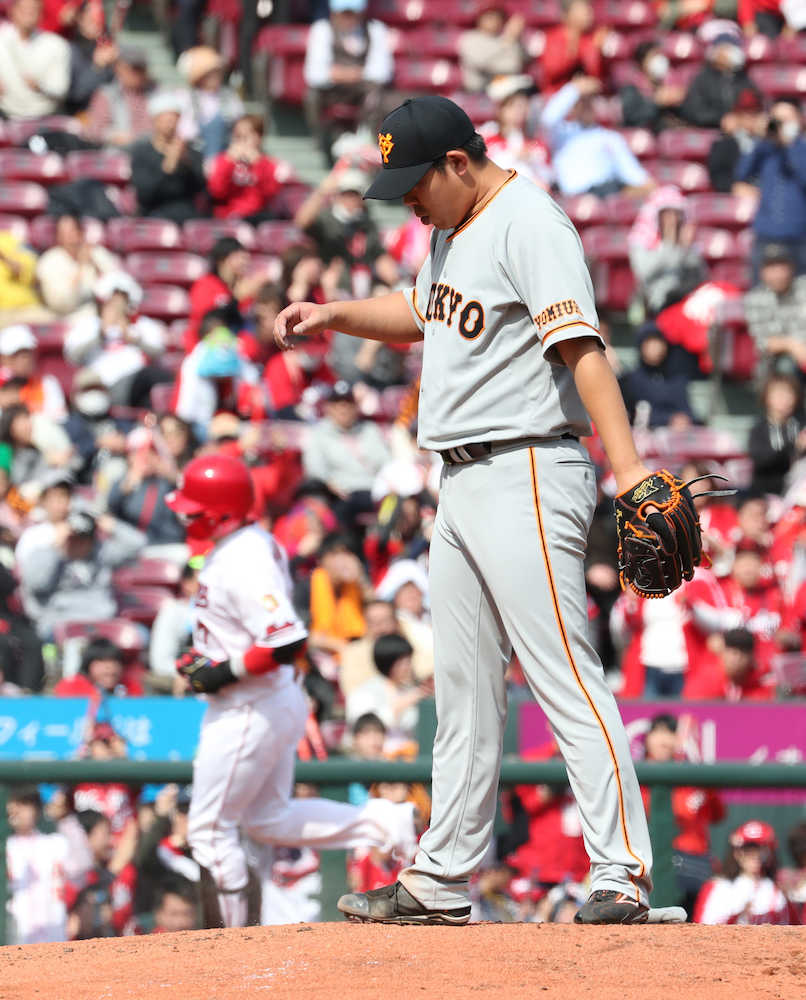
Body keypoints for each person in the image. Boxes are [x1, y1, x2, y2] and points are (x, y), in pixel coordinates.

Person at [275, 95, 665, 926]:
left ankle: (623, 872)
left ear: (460, 161)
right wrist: (336, 314)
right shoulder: (450, 228)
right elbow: (422, 312)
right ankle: (443, 877)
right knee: (460, 689)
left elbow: (582, 350)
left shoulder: (530, 221)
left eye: (417, 182)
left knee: (562, 674)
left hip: (526, 461)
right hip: (458, 476)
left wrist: (627, 469)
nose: (408, 201)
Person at [163, 454, 417, 928]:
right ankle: (385, 823)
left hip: (248, 704)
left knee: (208, 831)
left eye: (195, 509)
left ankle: (229, 944)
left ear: (221, 512)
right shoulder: (244, 542)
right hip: (266, 697)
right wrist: (206, 655)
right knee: (266, 819)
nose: (187, 517)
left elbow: (285, 638)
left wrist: (221, 670)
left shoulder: (244, 555)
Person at [639, 714, 725, 916]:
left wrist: (704, 778)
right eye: (657, 732)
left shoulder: (691, 776)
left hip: (696, 863)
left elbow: (717, 815)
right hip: (651, 863)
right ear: (648, 738)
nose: (663, 740)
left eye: (669, 733)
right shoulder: (637, 775)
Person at [16, 508, 145, 642]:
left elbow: (138, 545)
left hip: (101, 622)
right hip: (60, 624)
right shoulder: (46, 553)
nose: (80, 543)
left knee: (139, 636)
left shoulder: (100, 552)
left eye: (85, 539)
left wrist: (111, 525)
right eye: (75, 538)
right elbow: (37, 585)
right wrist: (55, 547)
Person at [303, 0, 394, 163]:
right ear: (333, 12)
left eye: (352, 12)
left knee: (376, 92)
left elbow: (382, 73)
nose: (348, 17)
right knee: (312, 93)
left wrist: (339, 73)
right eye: (344, 12)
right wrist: (356, 73)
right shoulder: (322, 29)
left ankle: (367, 138)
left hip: (362, 92)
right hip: (331, 92)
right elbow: (314, 74)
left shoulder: (375, 29)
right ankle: (320, 141)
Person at [63, 271, 166, 407]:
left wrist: (133, 338)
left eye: (120, 300)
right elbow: (71, 355)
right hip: (102, 387)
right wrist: (100, 333)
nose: (116, 306)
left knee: (155, 388)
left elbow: (159, 351)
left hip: (136, 385)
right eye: (111, 301)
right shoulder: (89, 324)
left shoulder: (142, 324)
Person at [5, 785, 93, 944]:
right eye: (14, 805)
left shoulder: (54, 843)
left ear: (37, 809)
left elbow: (83, 866)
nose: (18, 811)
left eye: (25, 804)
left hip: (54, 932)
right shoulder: (6, 846)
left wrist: (65, 817)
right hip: (15, 937)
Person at [294, 163, 399, 294]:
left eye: (355, 195)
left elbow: (378, 254)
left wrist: (388, 269)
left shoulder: (367, 223)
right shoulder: (326, 219)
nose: (351, 200)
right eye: (346, 194)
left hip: (363, 286)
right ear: (338, 195)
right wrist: (320, 193)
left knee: (384, 292)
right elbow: (301, 222)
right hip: (332, 285)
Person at [542, 78, 655, 198]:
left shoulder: (610, 138)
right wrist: (574, 89)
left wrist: (647, 184)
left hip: (607, 194)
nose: (587, 106)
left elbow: (634, 174)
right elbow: (547, 119)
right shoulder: (561, 134)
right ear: (573, 106)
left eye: (590, 101)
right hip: (574, 198)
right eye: (582, 101)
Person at [302, 380, 392, 526]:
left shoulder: (370, 430)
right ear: (329, 407)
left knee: (399, 506)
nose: (343, 408)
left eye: (348, 403)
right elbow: (314, 468)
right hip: (343, 493)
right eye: (337, 403)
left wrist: (389, 484)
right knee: (341, 510)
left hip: (376, 490)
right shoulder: (320, 434)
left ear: (356, 407)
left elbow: (387, 462)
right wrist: (329, 484)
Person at [736, 100, 806, 278]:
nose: (780, 124)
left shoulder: (802, 149)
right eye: (777, 120)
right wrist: (760, 138)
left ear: (799, 120)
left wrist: (791, 144)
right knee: (760, 294)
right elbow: (741, 172)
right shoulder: (766, 151)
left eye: (786, 119)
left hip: (798, 235)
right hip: (766, 233)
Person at [695, 821, 799, 924]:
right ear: (737, 853)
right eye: (748, 850)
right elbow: (702, 928)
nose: (755, 856)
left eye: (761, 850)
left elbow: (795, 929)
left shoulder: (777, 890)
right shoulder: (718, 887)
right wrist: (737, 916)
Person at [628, 186, 707, 316]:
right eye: (667, 214)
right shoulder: (642, 240)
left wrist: (687, 250)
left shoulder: (686, 244)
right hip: (652, 306)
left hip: (685, 304)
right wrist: (669, 244)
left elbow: (700, 277)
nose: (673, 220)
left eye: (677, 214)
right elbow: (644, 273)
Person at [131, 90, 207, 224]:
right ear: (155, 120)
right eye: (165, 118)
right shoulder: (142, 153)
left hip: (187, 213)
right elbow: (144, 195)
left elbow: (201, 188)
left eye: (174, 118)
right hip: (155, 214)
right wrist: (167, 167)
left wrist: (186, 162)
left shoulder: (190, 151)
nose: (170, 123)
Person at [345, 633, 431, 746]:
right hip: (377, 759)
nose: (408, 666)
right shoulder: (364, 693)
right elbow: (362, 728)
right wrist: (401, 704)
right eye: (402, 662)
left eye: (409, 660)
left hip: (409, 756)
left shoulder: (410, 690)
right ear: (388, 661)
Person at [208, 114, 291, 221]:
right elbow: (217, 191)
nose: (242, 141)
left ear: (259, 138)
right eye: (238, 136)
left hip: (257, 216)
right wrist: (228, 162)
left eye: (246, 136)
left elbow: (270, 195)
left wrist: (257, 163)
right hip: (227, 216)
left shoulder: (270, 165)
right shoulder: (222, 160)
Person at [36, 214, 118, 319]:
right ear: (58, 237)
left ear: (81, 233)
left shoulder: (97, 253)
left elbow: (117, 285)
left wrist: (95, 265)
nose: (71, 237)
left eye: (74, 231)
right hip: (68, 317)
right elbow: (61, 305)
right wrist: (81, 266)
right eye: (65, 233)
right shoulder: (49, 261)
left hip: (105, 312)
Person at [0, 0, 70, 119]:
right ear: (13, 11)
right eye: (24, 8)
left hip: (44, 118)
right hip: (6, 117)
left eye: (33, 9)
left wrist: (39, 87)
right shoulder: (3, 40)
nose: (28, 13)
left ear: (41, 14)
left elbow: (60, 90)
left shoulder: (57, 46)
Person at [480, 76, 552, 190]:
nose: (520, 111)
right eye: (514, 105)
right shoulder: (487, 137)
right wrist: (513, 157)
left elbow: (548, 176)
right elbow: (482, 171)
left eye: (524, 105)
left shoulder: (536, 144)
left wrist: (532, 161)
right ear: (501, 108)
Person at [744, 243, 806, 375]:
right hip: (777, 361)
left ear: (791, 268)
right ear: (762, 272)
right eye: (771, 267)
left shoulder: (803, 288)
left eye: (782, 266)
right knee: (786, 366)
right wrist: (793, 346)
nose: (777, 273)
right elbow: (763, 342)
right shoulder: (755, 299)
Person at [619, 323, 696, 430]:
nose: (655, 347)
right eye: (650, 342)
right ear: (641, 346)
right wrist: (668, 419)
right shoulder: (629, 380)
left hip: (673, 438)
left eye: (659, 342)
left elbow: (687, 411)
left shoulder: (676, 379)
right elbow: (632, 415)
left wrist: (683, 419)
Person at [680, 30, 761, 129]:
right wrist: (721, 118)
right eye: (729, 49)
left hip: (741, 130)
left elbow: (756, 103)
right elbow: (694, 111)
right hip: (711, 130)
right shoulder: (702, 79)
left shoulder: (743, 78)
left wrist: (748, 119)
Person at [175, 45, 244, 160]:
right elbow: (186, 132)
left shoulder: (230, 96)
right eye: (210, 73)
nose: (216, 77)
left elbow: (239, 124)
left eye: (217, 72)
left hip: (226, 155)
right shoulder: (187, 97)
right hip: (197, 155)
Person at [86, 45, 154, 148]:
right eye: (134, 68)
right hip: (117, 156)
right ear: (119, 68)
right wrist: (115, 136)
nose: (139, 73)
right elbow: (94, 130)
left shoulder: (156, 94)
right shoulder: (107, 95)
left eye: (141, 68)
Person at [748, 374, 806, 495]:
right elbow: (762, 461)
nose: (785, 400)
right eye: (779, 395)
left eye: (789, 394)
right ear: (767, 398)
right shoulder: (759, 430)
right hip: (768, 493)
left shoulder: (800, 425)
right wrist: (794, 447)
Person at [0, 325, 67, 423]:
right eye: (16, 354)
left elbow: (60, 418)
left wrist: (26, 406)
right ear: (3, 358)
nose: (25, 359)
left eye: (27, 352)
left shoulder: (47, 382)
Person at [539, 0, 606, 96]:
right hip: (555, 97)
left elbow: (596, 77)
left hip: (586, 100)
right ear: (568, 14)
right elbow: (552, 71)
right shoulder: (553, 37)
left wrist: (596, 51)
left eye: (589, 8)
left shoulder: (591, 39)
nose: (589, 13)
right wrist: (573, 48)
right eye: (583, 9)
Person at [707, 87, 766, 194]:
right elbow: (718, 176)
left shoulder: (770, 143)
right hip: (736, 199)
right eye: (744, 114)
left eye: (754, 114)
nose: (749, 119)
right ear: (736, 116)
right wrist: (734, 187)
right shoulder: (725, 143)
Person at [457, 4, 526, 94]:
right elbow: (480, 63)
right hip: (478, 93)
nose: (494, 20)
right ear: (480, 18)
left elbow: (515, 66)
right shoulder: (470, 38)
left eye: (498, 16)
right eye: (489, 16)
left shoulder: (506, 38)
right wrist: (507, 41)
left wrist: (513, 39)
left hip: (506, 91)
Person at [620, 40, 685, 132]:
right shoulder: (631, 88)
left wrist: (680, 101)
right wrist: (656, 102)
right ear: (642, 62)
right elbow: (632, 117)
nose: (659, 60)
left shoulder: (667, 85)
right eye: (654, 56)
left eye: (660, 55)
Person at [53, 636, 144, 696]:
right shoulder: (72, 686)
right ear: (88, 665)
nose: (110, 667)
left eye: (115, 661)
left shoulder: (130, 688)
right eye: (102, 661)